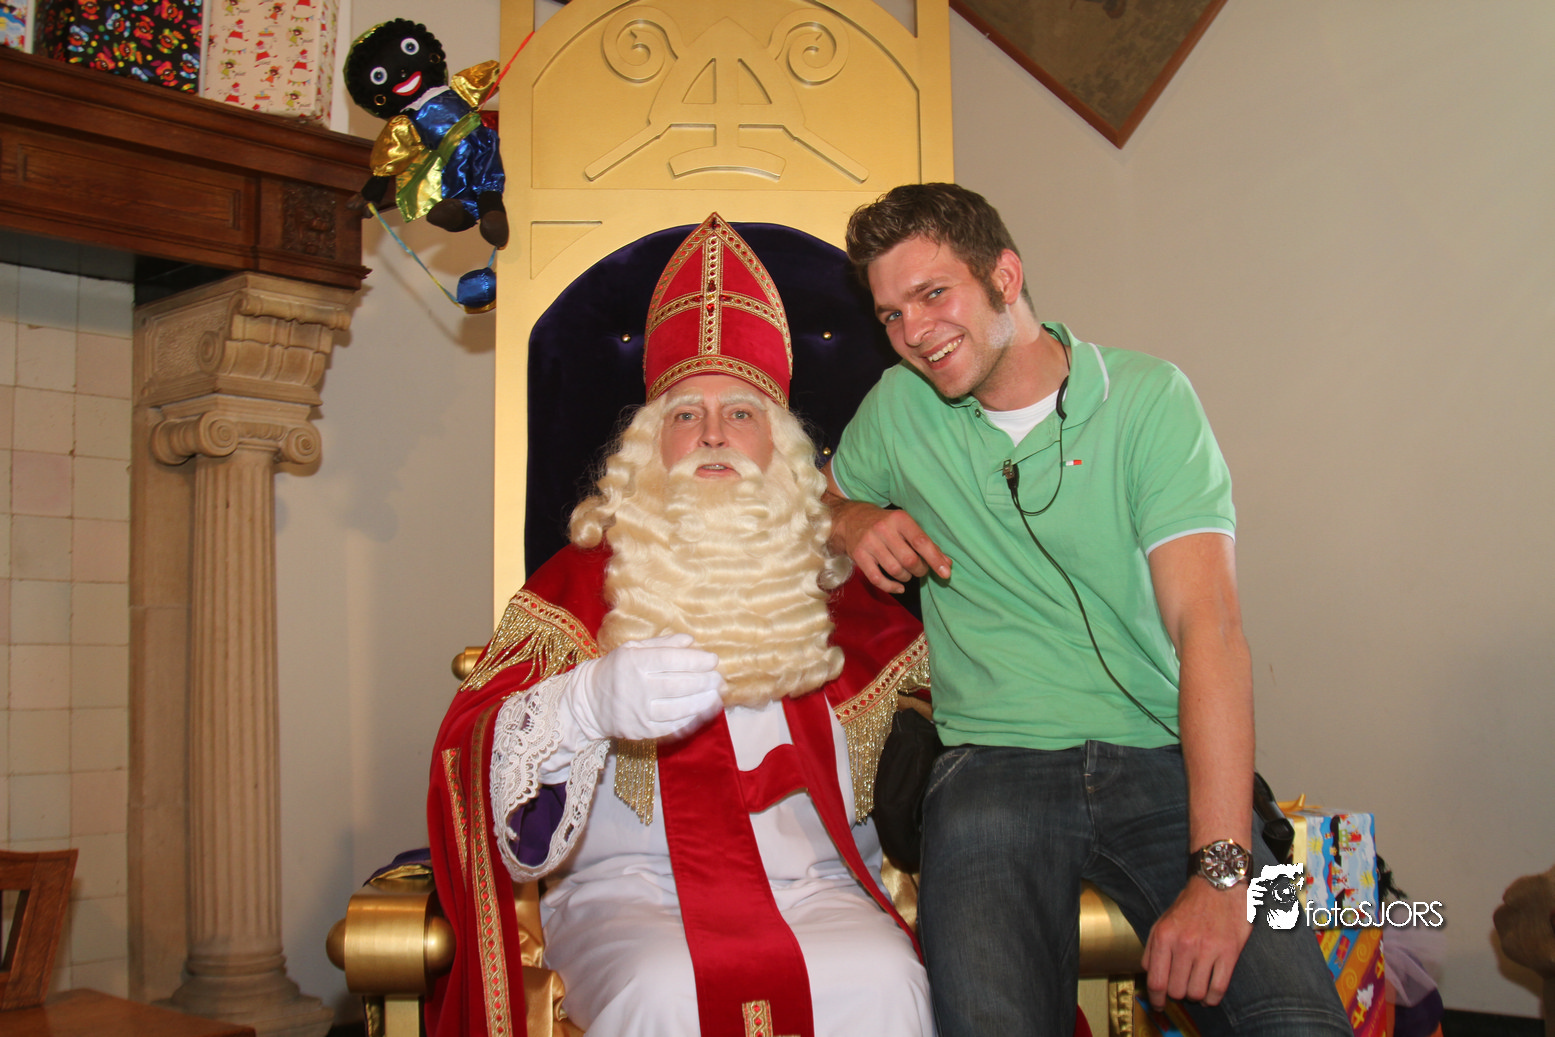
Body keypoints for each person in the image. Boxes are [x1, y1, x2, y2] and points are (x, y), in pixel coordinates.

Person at [823, 183, 1350, 1036]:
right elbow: (814, 498)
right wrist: (850, 517)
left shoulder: (1147, 397)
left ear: (1003, 275)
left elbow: (1209, 630)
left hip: (1160, 757)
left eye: (932, 294)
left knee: (1299, 1023)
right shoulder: (896, 406)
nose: (913, 331)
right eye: (890, 313)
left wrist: (1221, 877)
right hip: (990, 765)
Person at [427, 215, 935, 1037]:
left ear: (782, 448)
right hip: (626, 893)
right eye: (684, 414)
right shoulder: (576, 586)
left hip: (819, 886)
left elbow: (949, 739)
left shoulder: (844, 596)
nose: (712, 433)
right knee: (663, 989)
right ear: (646, 446)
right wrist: (583, 704)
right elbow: (471, 752)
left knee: (887, 980)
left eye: (741, 412)